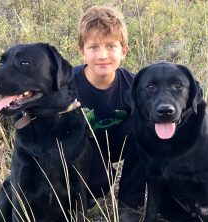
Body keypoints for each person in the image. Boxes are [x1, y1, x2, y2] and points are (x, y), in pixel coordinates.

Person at [72, 5, 146, 221]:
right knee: (99, 182)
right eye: (93, 47)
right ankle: (83, 197)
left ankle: (130, 204)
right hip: (84, 149)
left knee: (143, 129)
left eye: (111, 46)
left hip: (117, 141)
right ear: (82, 51)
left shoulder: (133, 85)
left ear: (124, 50)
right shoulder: (67, 84)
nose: (102, 55)